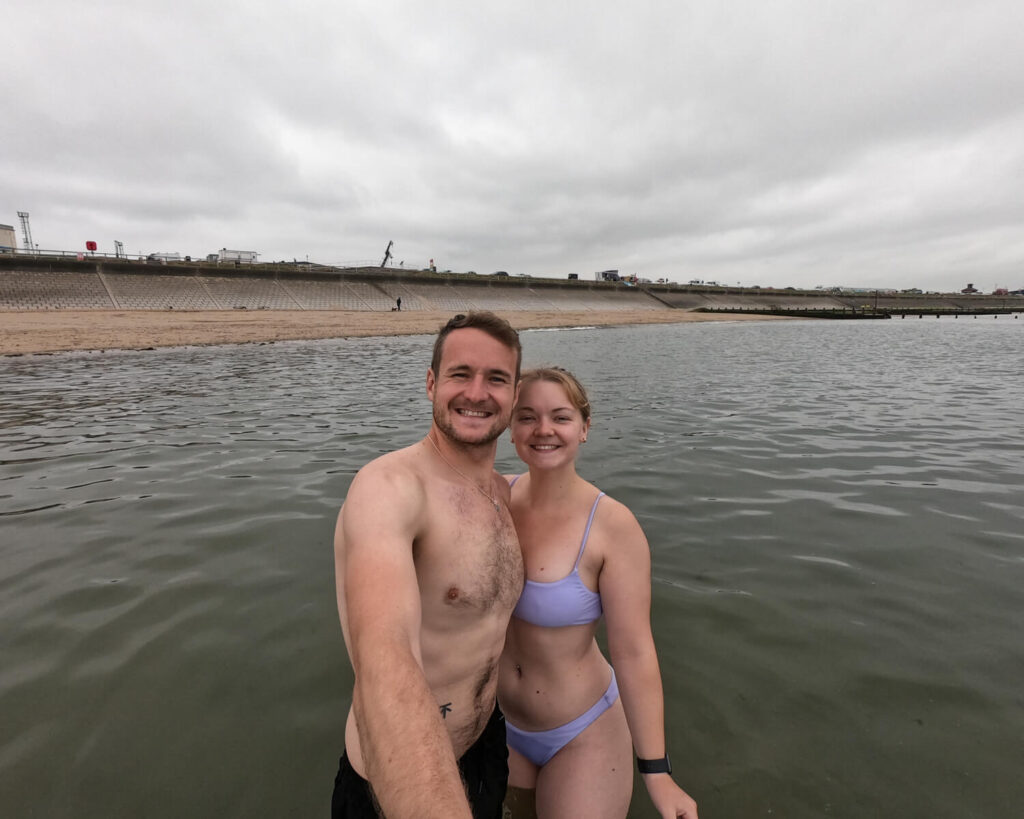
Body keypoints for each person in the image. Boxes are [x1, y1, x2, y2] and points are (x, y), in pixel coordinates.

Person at [332, 312, 525, 818]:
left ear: (515, 394)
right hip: (399, 778)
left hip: (485, 744)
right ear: (431, 383)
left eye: (497, 379)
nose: (477, 393)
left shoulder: (505, 494)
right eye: (461, 374)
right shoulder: (390, 488)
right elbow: (384, 654)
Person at [498, 367, 698, 819]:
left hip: (582, 731)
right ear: (510, 429)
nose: (543, 429)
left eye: (561, 417)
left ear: (585, 429)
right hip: (503, 725)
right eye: (526, 417)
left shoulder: (612, 526)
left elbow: (633, 651)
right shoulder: (493, 498)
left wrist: (657, 772)